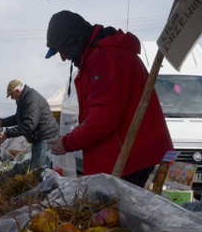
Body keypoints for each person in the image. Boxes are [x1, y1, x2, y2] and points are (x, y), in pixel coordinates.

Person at [44, 11, 173, 187]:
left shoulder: (105, 58)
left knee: (118, 212)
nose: (63, 57)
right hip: (128, 155)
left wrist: (67, 143)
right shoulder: (100, 56)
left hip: (129, 158)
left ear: (71, 41)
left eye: (61, 50)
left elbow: (103, 118)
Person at [0, 79, 59, 171]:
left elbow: (29, 125)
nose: (11, 98)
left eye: (11, 95)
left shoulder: (31, 99)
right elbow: (19, 117)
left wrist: (7, 133)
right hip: (39, 138)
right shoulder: (24, 98)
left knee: (38, 171)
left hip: (45, 138)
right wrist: (2, 122)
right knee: (37, 170)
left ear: (17, 91)